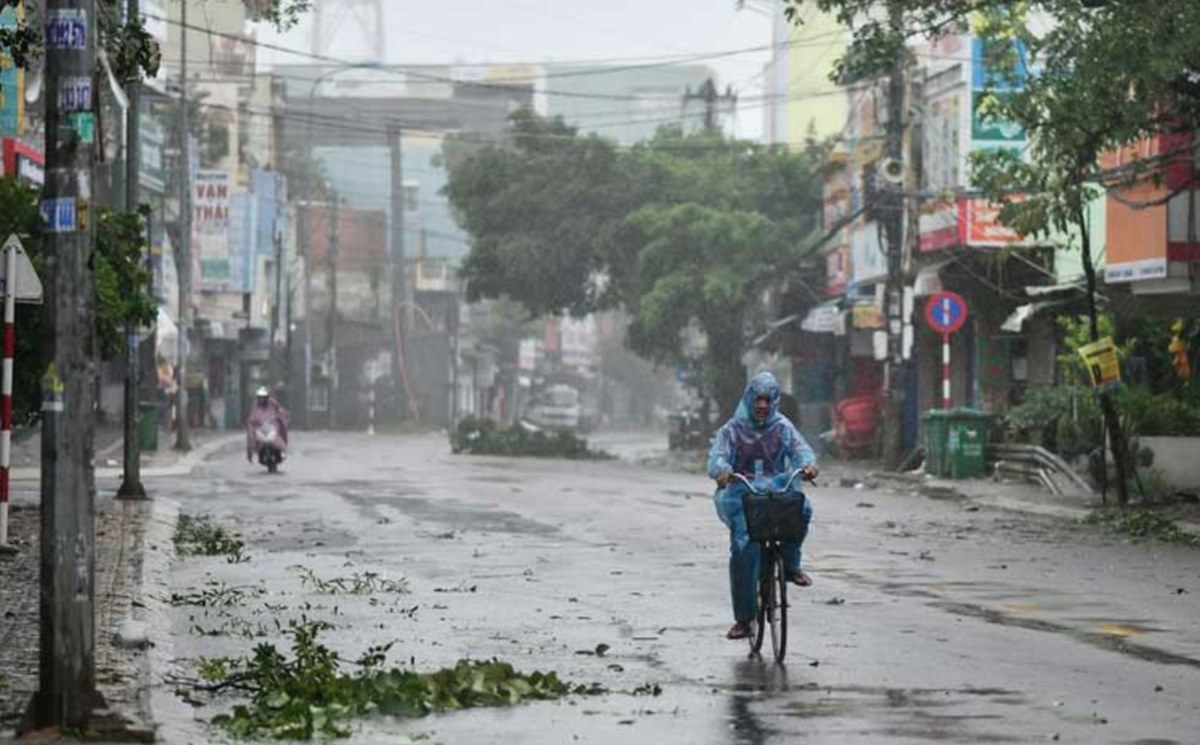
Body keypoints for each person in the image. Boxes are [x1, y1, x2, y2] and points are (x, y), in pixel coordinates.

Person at [708, 372, 819, 640]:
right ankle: (744, 619)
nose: (762, 405)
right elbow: (718, 456)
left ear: (775, 401)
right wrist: (722, 470)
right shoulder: (732, 430)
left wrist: (809, 465)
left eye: (767, 400)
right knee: (744, 547)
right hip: (742, 495)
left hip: (776, 490)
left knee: (801, 510)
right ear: (749, 399)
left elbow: (801, 450)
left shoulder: (783, 427)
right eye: (757, 399)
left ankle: (791, 567)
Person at [246, 386, 290, 462]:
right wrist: (252, 421)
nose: (261, 399)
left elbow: (279, 410)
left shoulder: (273, 403)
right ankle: (251, 454)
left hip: (272, 425)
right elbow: (252, 415)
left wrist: (282, 416)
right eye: (260, 397)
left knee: (282, 431)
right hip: (260, 427)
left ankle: (282, 451)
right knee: (250, 434)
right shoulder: (255, 405)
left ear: (266, 397)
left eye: (263, 397)